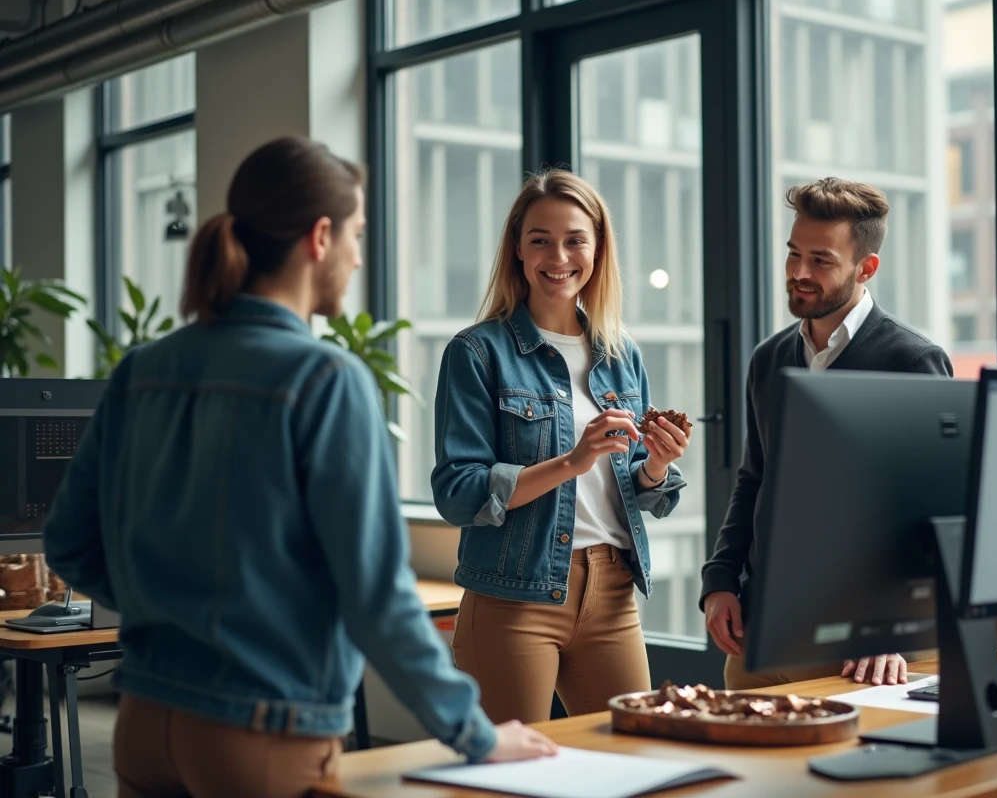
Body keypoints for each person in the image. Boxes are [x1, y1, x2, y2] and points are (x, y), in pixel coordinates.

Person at [41, 136, 555, 798]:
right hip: (261, 731)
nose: (358, 256)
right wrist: (476, 734)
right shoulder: (325, 378)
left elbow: (69, 543)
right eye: (356, 235)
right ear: (320, 237)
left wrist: (171, 607)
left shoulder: (144, 367)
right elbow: (377, 596)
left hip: (145, 722)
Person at [431, 168, 691, 725]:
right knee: (513, 767)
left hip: (612, 592)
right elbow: (458, 492)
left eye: (575, 240)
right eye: (540, 240)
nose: (559, 257)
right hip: (513, 597)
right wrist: (572, 461)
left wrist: (656, 466)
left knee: (634, 756)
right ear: (518, 250)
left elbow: (633, 484)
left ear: (597, 250)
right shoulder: (476, 353)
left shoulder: (622, 354)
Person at [699, 177, 952, 691]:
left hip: (857, 651)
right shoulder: (769, 358)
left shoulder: (913, 362)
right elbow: (754, 479)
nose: (799, 273)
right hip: (758, 634)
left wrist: (891, 629)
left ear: (866, 268)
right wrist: (720, 580)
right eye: (794, 254)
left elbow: (934, 517)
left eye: (820, 260)